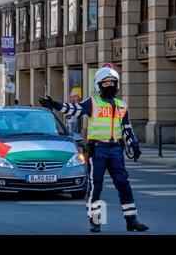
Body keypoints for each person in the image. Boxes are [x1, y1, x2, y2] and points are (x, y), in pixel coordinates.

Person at [38, 64, 148, 233]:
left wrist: (134, 143)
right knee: (96, 185)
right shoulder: (92, 102)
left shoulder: (121, 105)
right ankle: (95, 221)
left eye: (113, 82)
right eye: (106, 83)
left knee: (123, 184)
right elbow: (74, 109)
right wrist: (56, 105)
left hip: (116, 150)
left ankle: (131, 219)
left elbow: (126, 127)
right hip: (97, 150)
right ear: (98, 85)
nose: (110, 85)